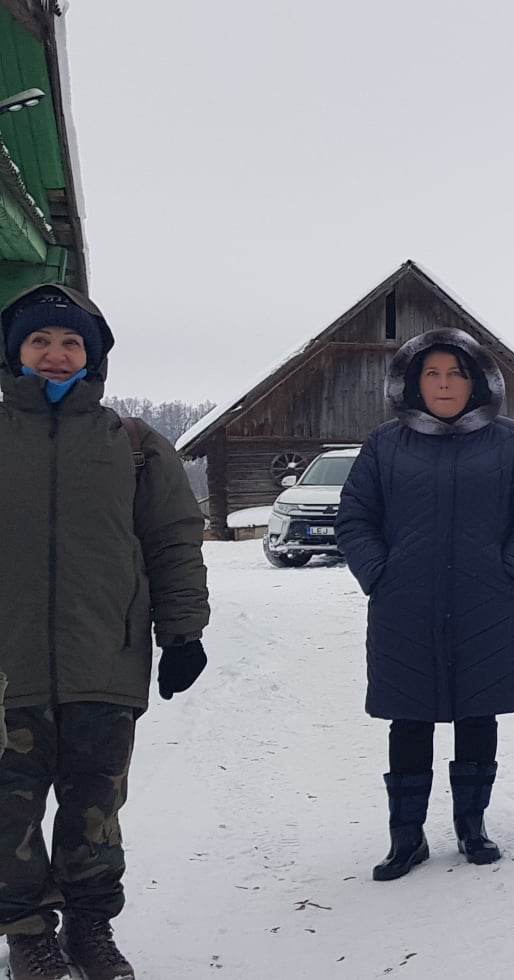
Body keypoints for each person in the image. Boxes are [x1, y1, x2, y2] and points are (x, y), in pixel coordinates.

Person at [0, 284, 211, 980]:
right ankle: (28, 934)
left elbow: (173, 540)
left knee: (94, 807)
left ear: (92, 358)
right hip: (6, 668)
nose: (56, 354)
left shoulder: (135, 445)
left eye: (71, 343)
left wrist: (182, 631)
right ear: (14, 352)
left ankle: (90, 927)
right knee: (7, 813)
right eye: (40, 341)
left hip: (105, 661)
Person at [336, 328, 514, 882]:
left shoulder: (510, 443)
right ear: (412, 383)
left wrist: (509, 574)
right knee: (409, 719)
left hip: (487, 603)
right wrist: (380, 575)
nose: (443, 384)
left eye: (455, 373)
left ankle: (471, 826)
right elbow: (355, 518)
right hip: (404, 606)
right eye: (432, 373)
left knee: (477, 714)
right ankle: (406, 837)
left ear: (477, 381)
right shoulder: (385, 444)